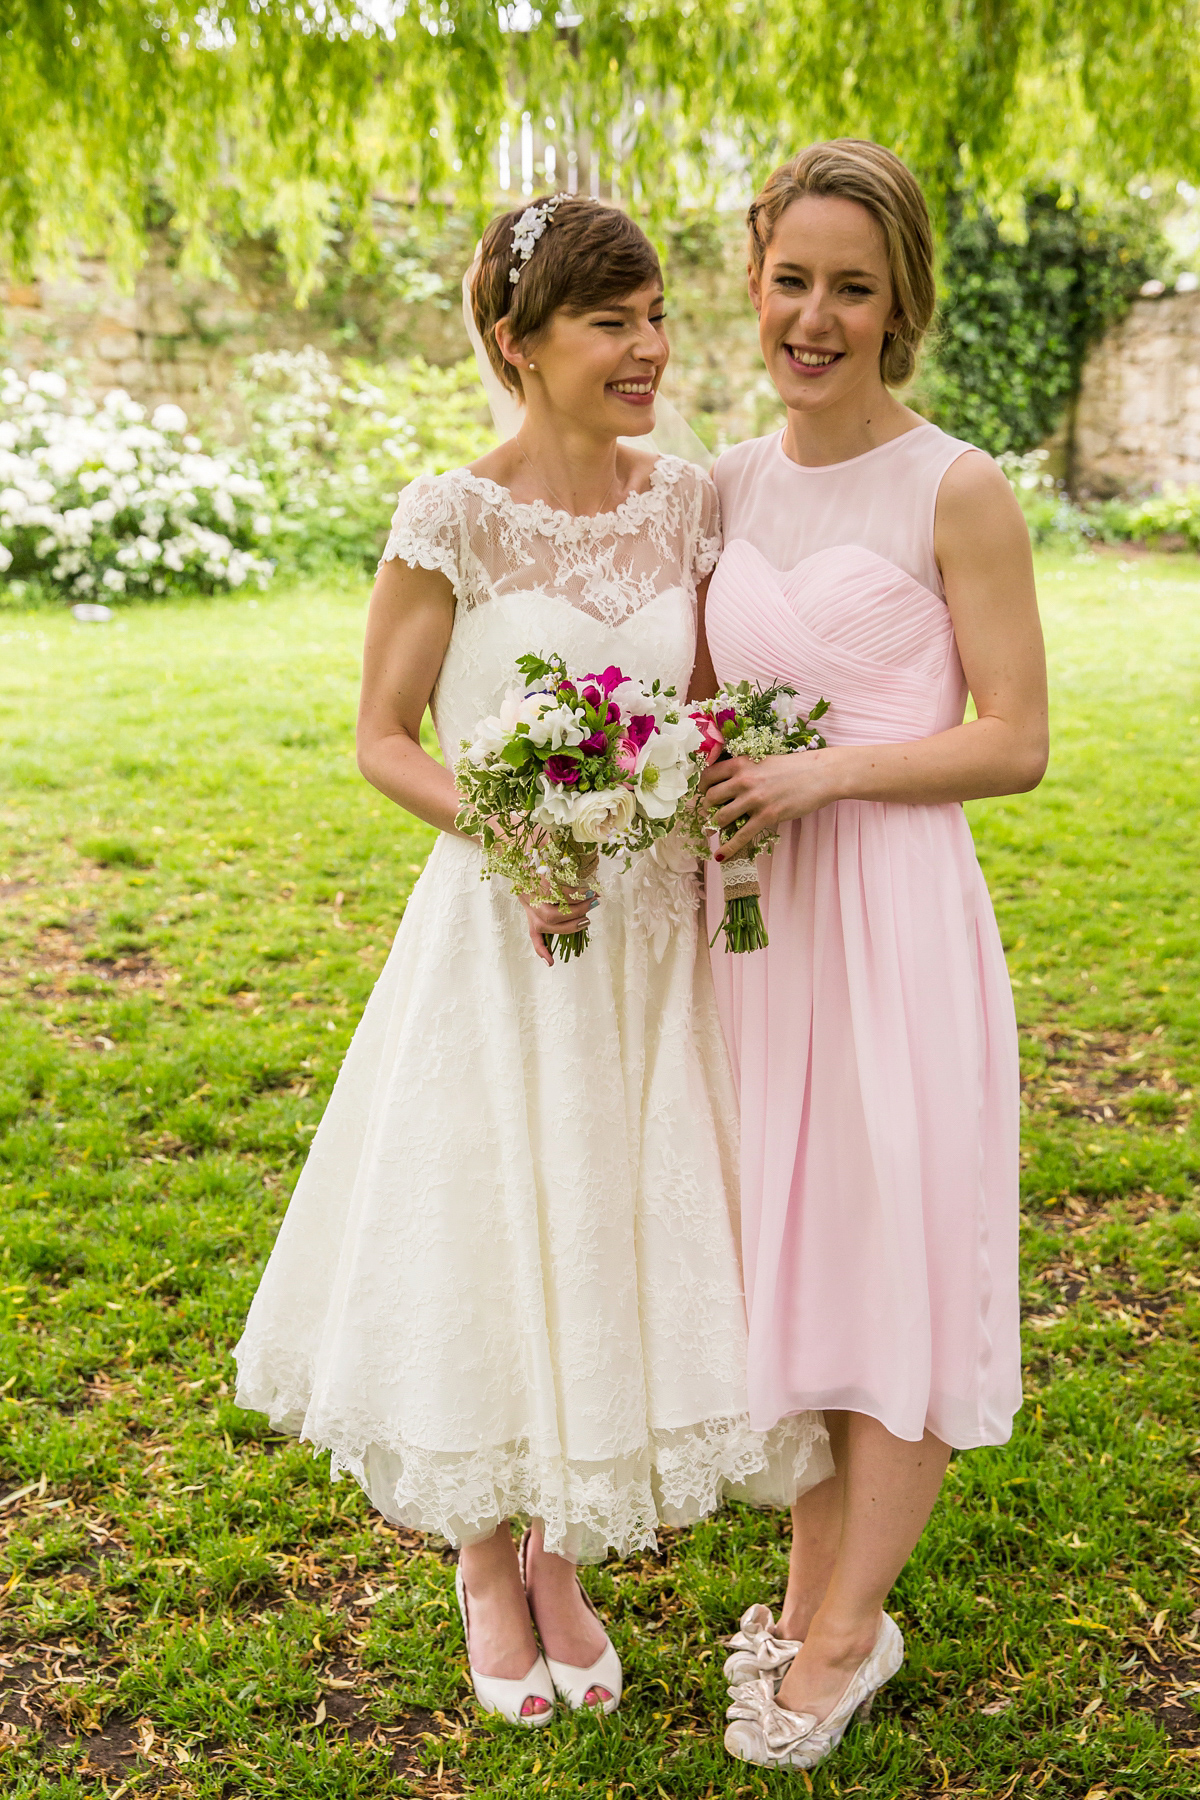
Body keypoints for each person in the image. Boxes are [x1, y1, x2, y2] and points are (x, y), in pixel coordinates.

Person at [234, 193, 829, 1730]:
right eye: (610, 323)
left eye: (652, 318)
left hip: (647, 941)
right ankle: (487, 1566)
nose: (650, 349)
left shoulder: (687, 500)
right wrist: (515, 838)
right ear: (519, 343)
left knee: (616, 1223)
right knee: (497, 1222)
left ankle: (566, 1556)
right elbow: (380, 738)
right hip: (510, 935)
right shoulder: (452, 514)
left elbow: (692, 707)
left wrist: (708, 790)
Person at [695, 140, 1049, 1773]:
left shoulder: (954, 485)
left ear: (899, 299)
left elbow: (1017, 742)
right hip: (758, 929)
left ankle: (850, 1629)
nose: (815, 317)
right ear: (752, 275)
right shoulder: (717, 490)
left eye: (852, 286)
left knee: (894, 1242)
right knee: (799, 1247)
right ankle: (806, 1579)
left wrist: (823, 772)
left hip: (895, 912)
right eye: (792, 279)